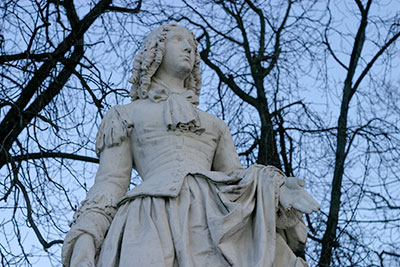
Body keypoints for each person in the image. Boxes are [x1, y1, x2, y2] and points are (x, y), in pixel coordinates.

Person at [62, 23, 320, 267]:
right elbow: (111, 182)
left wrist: (275, 188)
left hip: (211, 219)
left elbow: (238, 180)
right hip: (148, 219)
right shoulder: (125, 114)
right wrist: (86, 235)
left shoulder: (215, 124)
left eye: (192, 45)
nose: (188, 48)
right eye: (177, 40)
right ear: (156, 51)